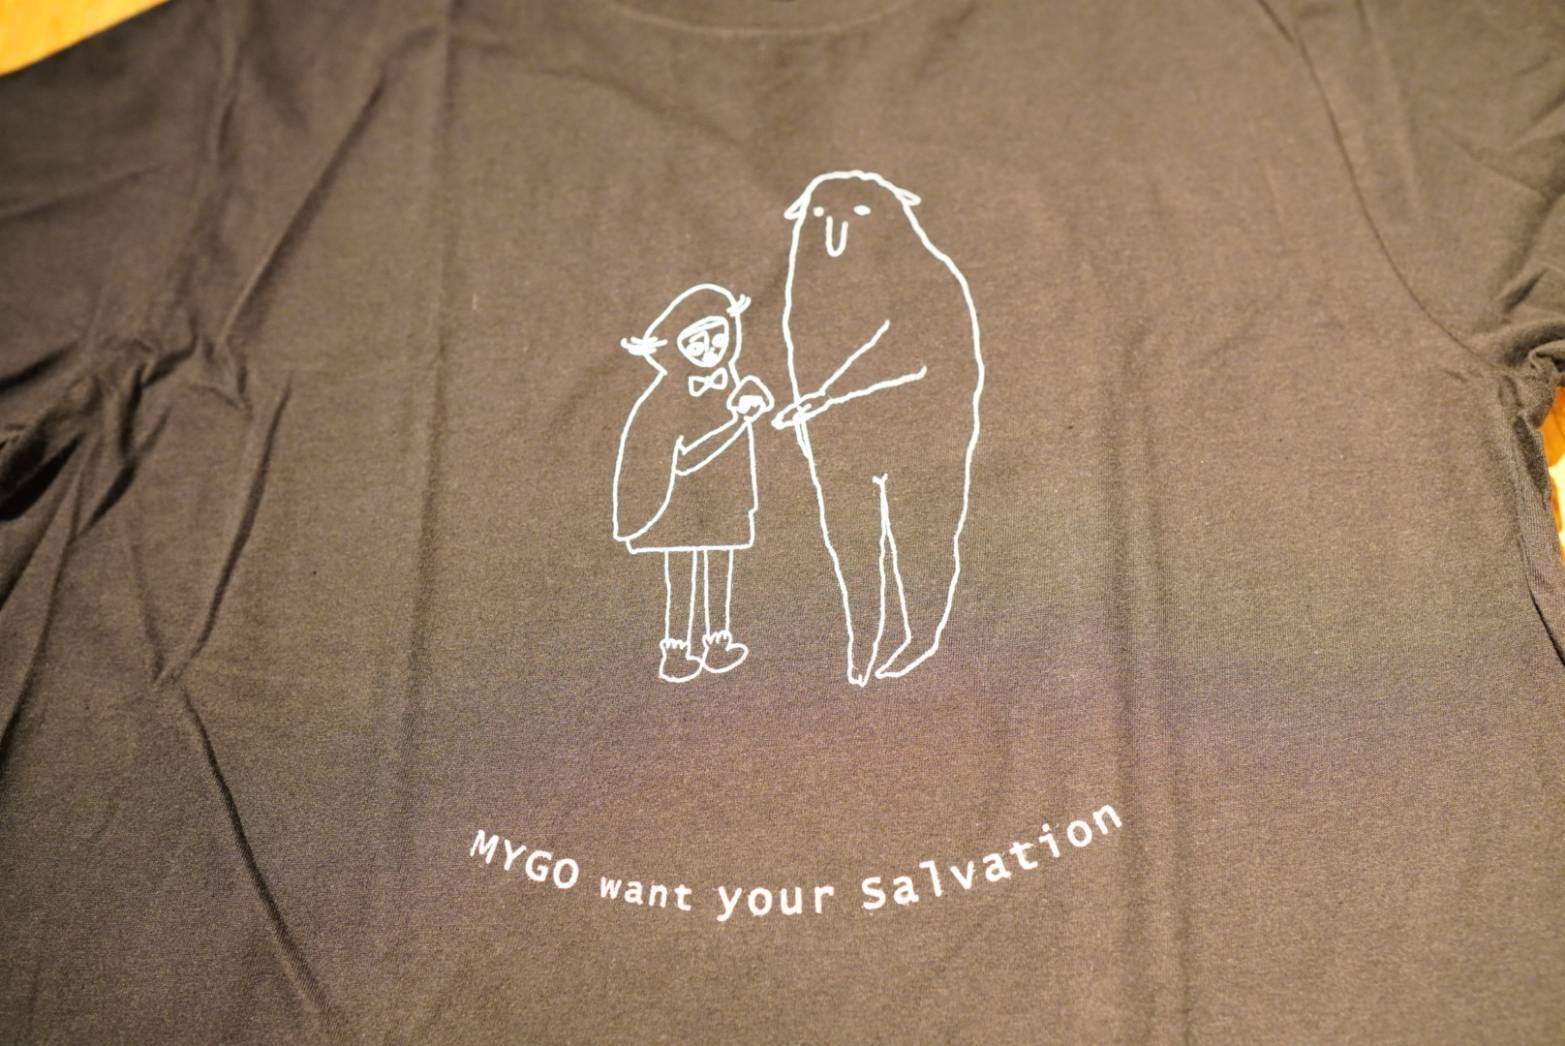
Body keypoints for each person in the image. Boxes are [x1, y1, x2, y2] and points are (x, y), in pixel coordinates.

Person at [612, 283, 774, 682]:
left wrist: (751, 406)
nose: (709, 348)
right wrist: (738, 420)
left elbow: (741, 454)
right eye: (695, 342)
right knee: (682, 574)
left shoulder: (730, 382)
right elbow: (684, 462)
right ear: (677, 347)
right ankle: (676, 651)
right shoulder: (665, 399)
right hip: (676, 501)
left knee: (719, 566)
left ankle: (717, 644)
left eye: (717, 335)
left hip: (728, 496)